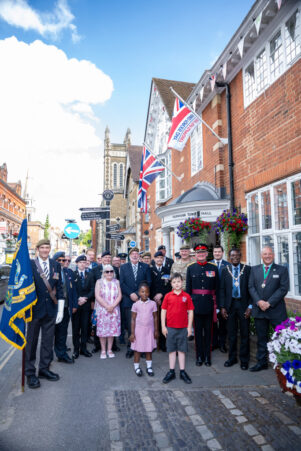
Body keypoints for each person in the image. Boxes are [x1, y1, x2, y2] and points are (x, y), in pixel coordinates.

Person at [25, 239, 65, 389]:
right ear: (37, 249)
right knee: (31, 342)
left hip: (51, 309)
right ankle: (30, 373)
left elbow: (59, 288)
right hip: (34, 310)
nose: (45, 250)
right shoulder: (30, 264)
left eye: (47, 247)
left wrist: (60, 309)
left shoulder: (55, 265)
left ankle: (44, 369)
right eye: (42, 247)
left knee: (48, 342)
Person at [248, 246, 289, 372]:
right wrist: (259, 301)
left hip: (276, 310)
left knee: (283, 337)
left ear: (274, 255)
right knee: (261, 338)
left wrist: (269, 303)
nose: (267, 256)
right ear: (261, 255)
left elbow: (283, 289)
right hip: (259, 309)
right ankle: (262, 362)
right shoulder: (254, 270)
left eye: (269, 254)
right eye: (265, 254)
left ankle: (285, 363)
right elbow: (251, 287)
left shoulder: (282, 270)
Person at [186, 243, 218, 367]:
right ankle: (199, 356)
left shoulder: (213, 267)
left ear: (206, 254)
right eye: (198, 253)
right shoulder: (191, 268)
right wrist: (188, 308)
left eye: (203, 252)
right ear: (195, 255)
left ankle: (207, 357)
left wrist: (218, 306)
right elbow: (188, 289)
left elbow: (217, 288)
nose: (201, 255)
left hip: (210, 305)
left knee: (209, 333)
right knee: (198, 333)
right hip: (196, 306)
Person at [219, 248, 251, 370]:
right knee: (231, 334)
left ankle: (244, 360)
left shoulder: (247, 269)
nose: (235, 258)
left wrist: (250, 306)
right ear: (229, 257)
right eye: (232, 256)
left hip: (243, 306)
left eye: (237, 255)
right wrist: (222, 307)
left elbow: (251, 289)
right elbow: (221, 290)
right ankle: (232, 358)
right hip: (230, 306)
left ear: (240, 256)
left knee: (244, 334)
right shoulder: (225, 270)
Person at [161, 273, 194, 384]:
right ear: (171, 284)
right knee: (171, 350)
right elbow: (163, 311)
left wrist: (189, 328)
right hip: (170, 328)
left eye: (178, 281)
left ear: (182, 282)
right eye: (174, 282)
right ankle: (171, 372)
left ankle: (182, 371)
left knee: (182, 350)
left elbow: (190, 312)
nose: (177, 284)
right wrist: (163, 326)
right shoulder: (167, 296)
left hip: (183, 328)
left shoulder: (187, 296)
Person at [120, 247, 152, 358]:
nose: (134, 255)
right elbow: (122, 283)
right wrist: (130, 294)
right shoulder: (124, 267)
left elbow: (148, 282)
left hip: (142, 300)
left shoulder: (145, 267)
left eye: (136, 253)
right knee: (130, 325)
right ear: (129, 256)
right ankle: (131, 348)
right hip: (129, 300)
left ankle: (142, 349)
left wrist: (139, 294)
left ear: (139, 256)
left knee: (142, 325)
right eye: (132, 254)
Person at [53, 251, 78, 364]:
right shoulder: (51, 271)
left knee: (62, 332)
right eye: (60, 260)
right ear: (55, 261)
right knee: (51, 333)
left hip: (66, 307)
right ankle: (50, 356)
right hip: (53, 307)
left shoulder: (68, 272)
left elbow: (73, 291)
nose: (63, 262)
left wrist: (74, 305)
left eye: (64, 260)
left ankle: (61, 354)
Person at [129, 282, 158, 376]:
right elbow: (133, 319)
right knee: (137, 350)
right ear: (139, 293)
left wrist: (156, 330)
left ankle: (149, 367)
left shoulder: (153, 304)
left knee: (148, 349)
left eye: (146, 292)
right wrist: (132, 333)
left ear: (149, 293)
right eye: (142, 291)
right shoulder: (136, 304)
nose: (144, 294)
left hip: (149, 330)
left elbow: (155, 317)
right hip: (139, 330)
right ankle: (136, 367)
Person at [95, 264, 122, 359]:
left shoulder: (117, 282)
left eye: (111, 271)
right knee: (103, 331)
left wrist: (113, 306)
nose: (109, 273)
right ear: (104, 273)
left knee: (112, 330)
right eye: (107, 271)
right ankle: (103, 350)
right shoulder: (99, 282)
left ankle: (109, 349)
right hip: (103, 309)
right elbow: (97, 296)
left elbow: (119, 295)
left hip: (114, 309)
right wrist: (107, 306)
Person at [72, 255, 94, 358]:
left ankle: (83, 349)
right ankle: (76, 350)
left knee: (85, 328)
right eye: (80, 262)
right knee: (76, 329)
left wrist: (85, 298)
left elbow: (93, 289)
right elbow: (71, 290)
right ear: (77, 263)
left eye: (84, 263)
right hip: (76, 305)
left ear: (86, 264)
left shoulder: (90, 275)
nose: (82, 264)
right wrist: (77, 299)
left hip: (86, 305)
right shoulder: (73, 274)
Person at [211, 245, 230, 353]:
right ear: (213, 253)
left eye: (219, 252)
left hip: (223, 299)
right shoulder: (209, 265)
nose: (217, 253)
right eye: (215, 252)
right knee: (212, 323)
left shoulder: (227, 265)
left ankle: (222, 344)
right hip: (212, 299)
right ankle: (214, 343)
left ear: (222, 253)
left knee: (223, 323)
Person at [150, 251, 172, 351]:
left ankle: (163, 343)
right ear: (154, 259)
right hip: (152, 299)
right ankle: (153, 343)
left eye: (161, 258)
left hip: (164, 299)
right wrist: (155, 296)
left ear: (163, 259)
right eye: (157, 258)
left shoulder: (167, 270)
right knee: (153, 322)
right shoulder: (150, 270)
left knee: (163, 321)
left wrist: (161, 295)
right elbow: (149, 285)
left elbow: (168, 285)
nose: (159, 259)